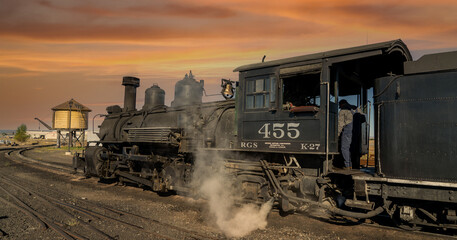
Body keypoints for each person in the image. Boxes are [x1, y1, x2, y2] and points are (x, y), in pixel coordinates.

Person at [338, 100, 356, 169]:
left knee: (344, 148)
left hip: (347, 130)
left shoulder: (343, 111)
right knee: (349, 149)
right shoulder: (354, 108)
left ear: (341, 104)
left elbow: (340, 124)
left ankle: (347, 166)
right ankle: (350, 165)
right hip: (354, 131)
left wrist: (337, 134)